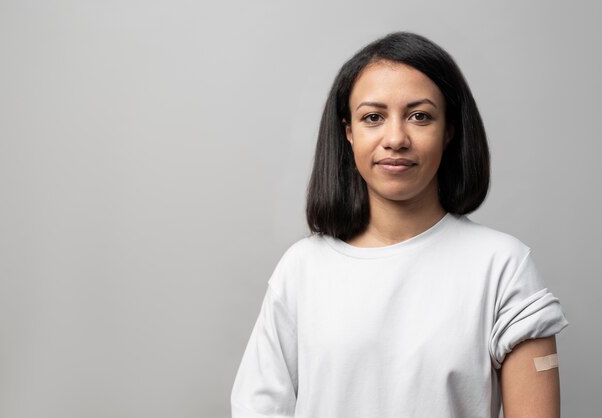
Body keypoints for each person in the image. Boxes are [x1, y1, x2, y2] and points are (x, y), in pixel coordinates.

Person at [230, 32, 568, 418]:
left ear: (450, 131)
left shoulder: (503, 266)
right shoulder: (301, 269)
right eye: (373, 117)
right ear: (348, 131)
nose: (395, 138)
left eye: (419, 116)